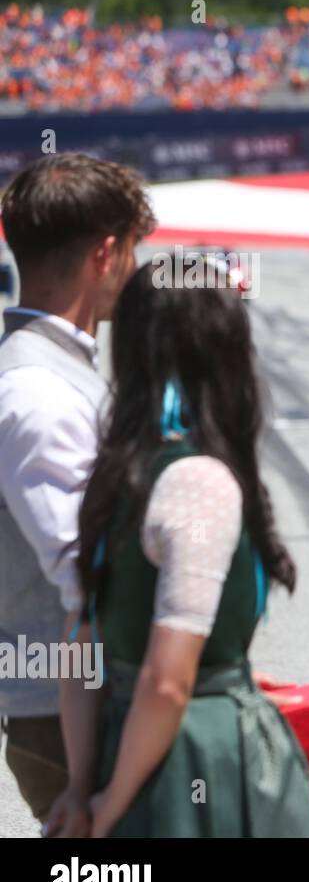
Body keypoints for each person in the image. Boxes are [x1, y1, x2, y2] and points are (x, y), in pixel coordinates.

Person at [51, 255, 309, 837]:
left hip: (119, 750)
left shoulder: (119, 471)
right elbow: (168, 681)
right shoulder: (198, 480)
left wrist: (83, 790)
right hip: (197, 762)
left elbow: (80, 650)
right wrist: (110, 808)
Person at [0, 154, 154, 832]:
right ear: (106, 252)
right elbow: (88, 583)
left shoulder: (50, 370)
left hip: (79, 700)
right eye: (135, 249)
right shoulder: (39, 392)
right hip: (75, 717)